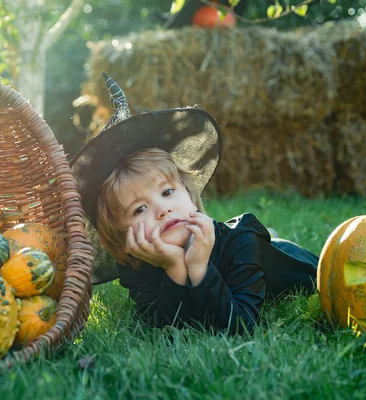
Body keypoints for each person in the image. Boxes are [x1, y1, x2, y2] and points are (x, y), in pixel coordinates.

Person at [70, 73, 318, 334]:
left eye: (167, 192)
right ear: (121, 236)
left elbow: (240, 326)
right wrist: (175, 266)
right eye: (139, 209)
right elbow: (166, 327)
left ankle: (275, 243)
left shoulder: (240, 242)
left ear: (189, 195)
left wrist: (199, 266)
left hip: (297, 268)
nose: (162, 209)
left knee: (275, 250)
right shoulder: (137, 263)